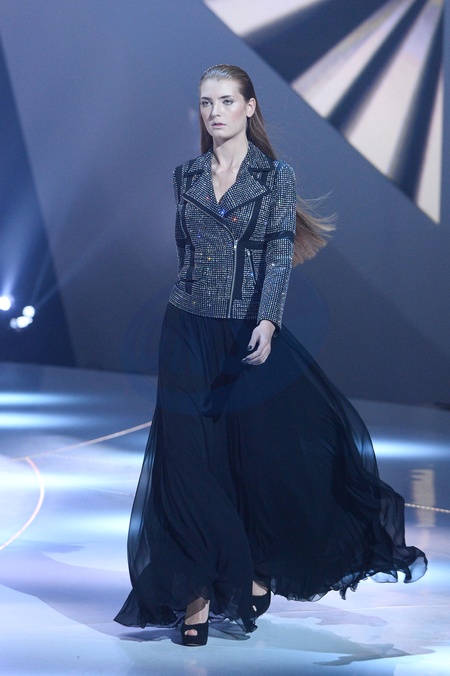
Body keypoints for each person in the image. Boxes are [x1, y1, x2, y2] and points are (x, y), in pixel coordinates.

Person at [115, 64, 427, 647]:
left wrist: (267, 318)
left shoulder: (275, 177)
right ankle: (196, 596)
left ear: (250, 107)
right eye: (206, 102)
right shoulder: (185, 176)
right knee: (183, 466)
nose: (214, 112)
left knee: (256, 463)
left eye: (225, 101)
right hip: (185, 330)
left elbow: (279, 254)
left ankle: (253, 567)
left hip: (244, 335)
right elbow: (186, 253)